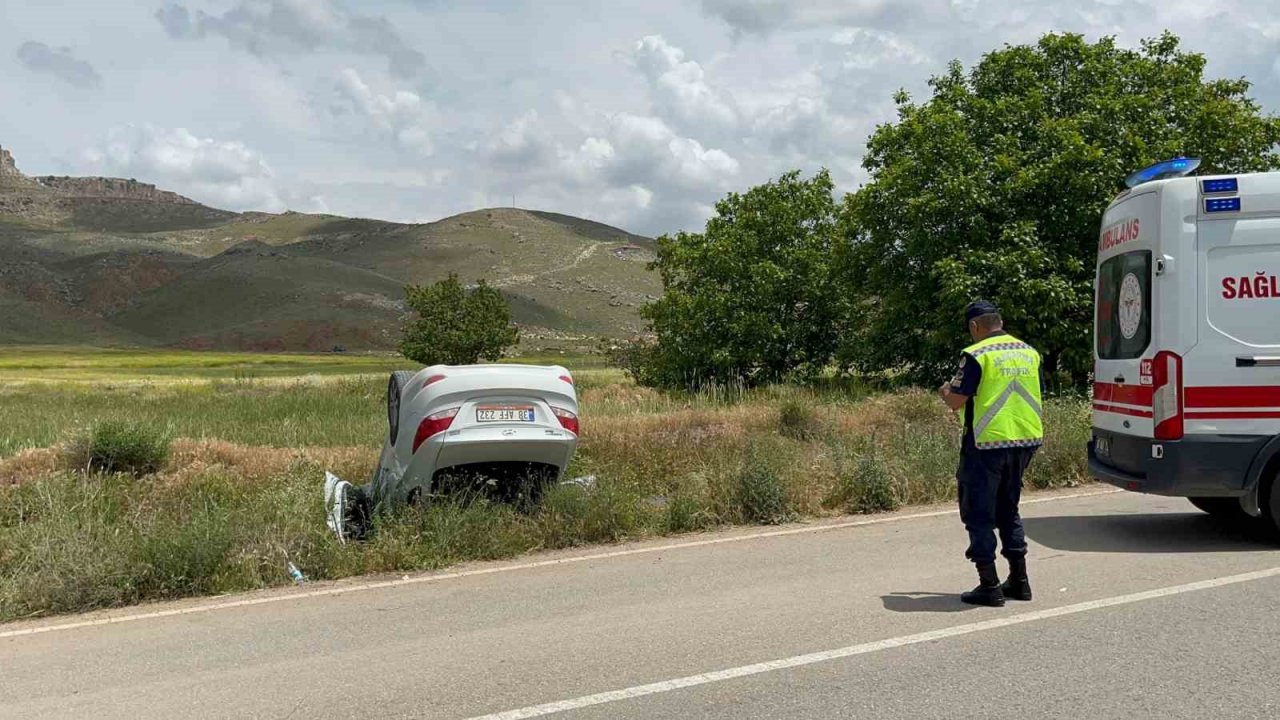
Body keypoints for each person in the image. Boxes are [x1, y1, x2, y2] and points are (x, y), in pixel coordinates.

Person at [938, 301, 1045, 607]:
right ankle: (1020, 581)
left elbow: (956, 401)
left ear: (975, 327)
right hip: (1024, 440)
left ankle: (989, 585)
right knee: (1008, 510)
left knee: (979, 514)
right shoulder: (1029, 352)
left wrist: (944, 391)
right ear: (999, 321)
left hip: (986, 444)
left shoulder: (977, 355)